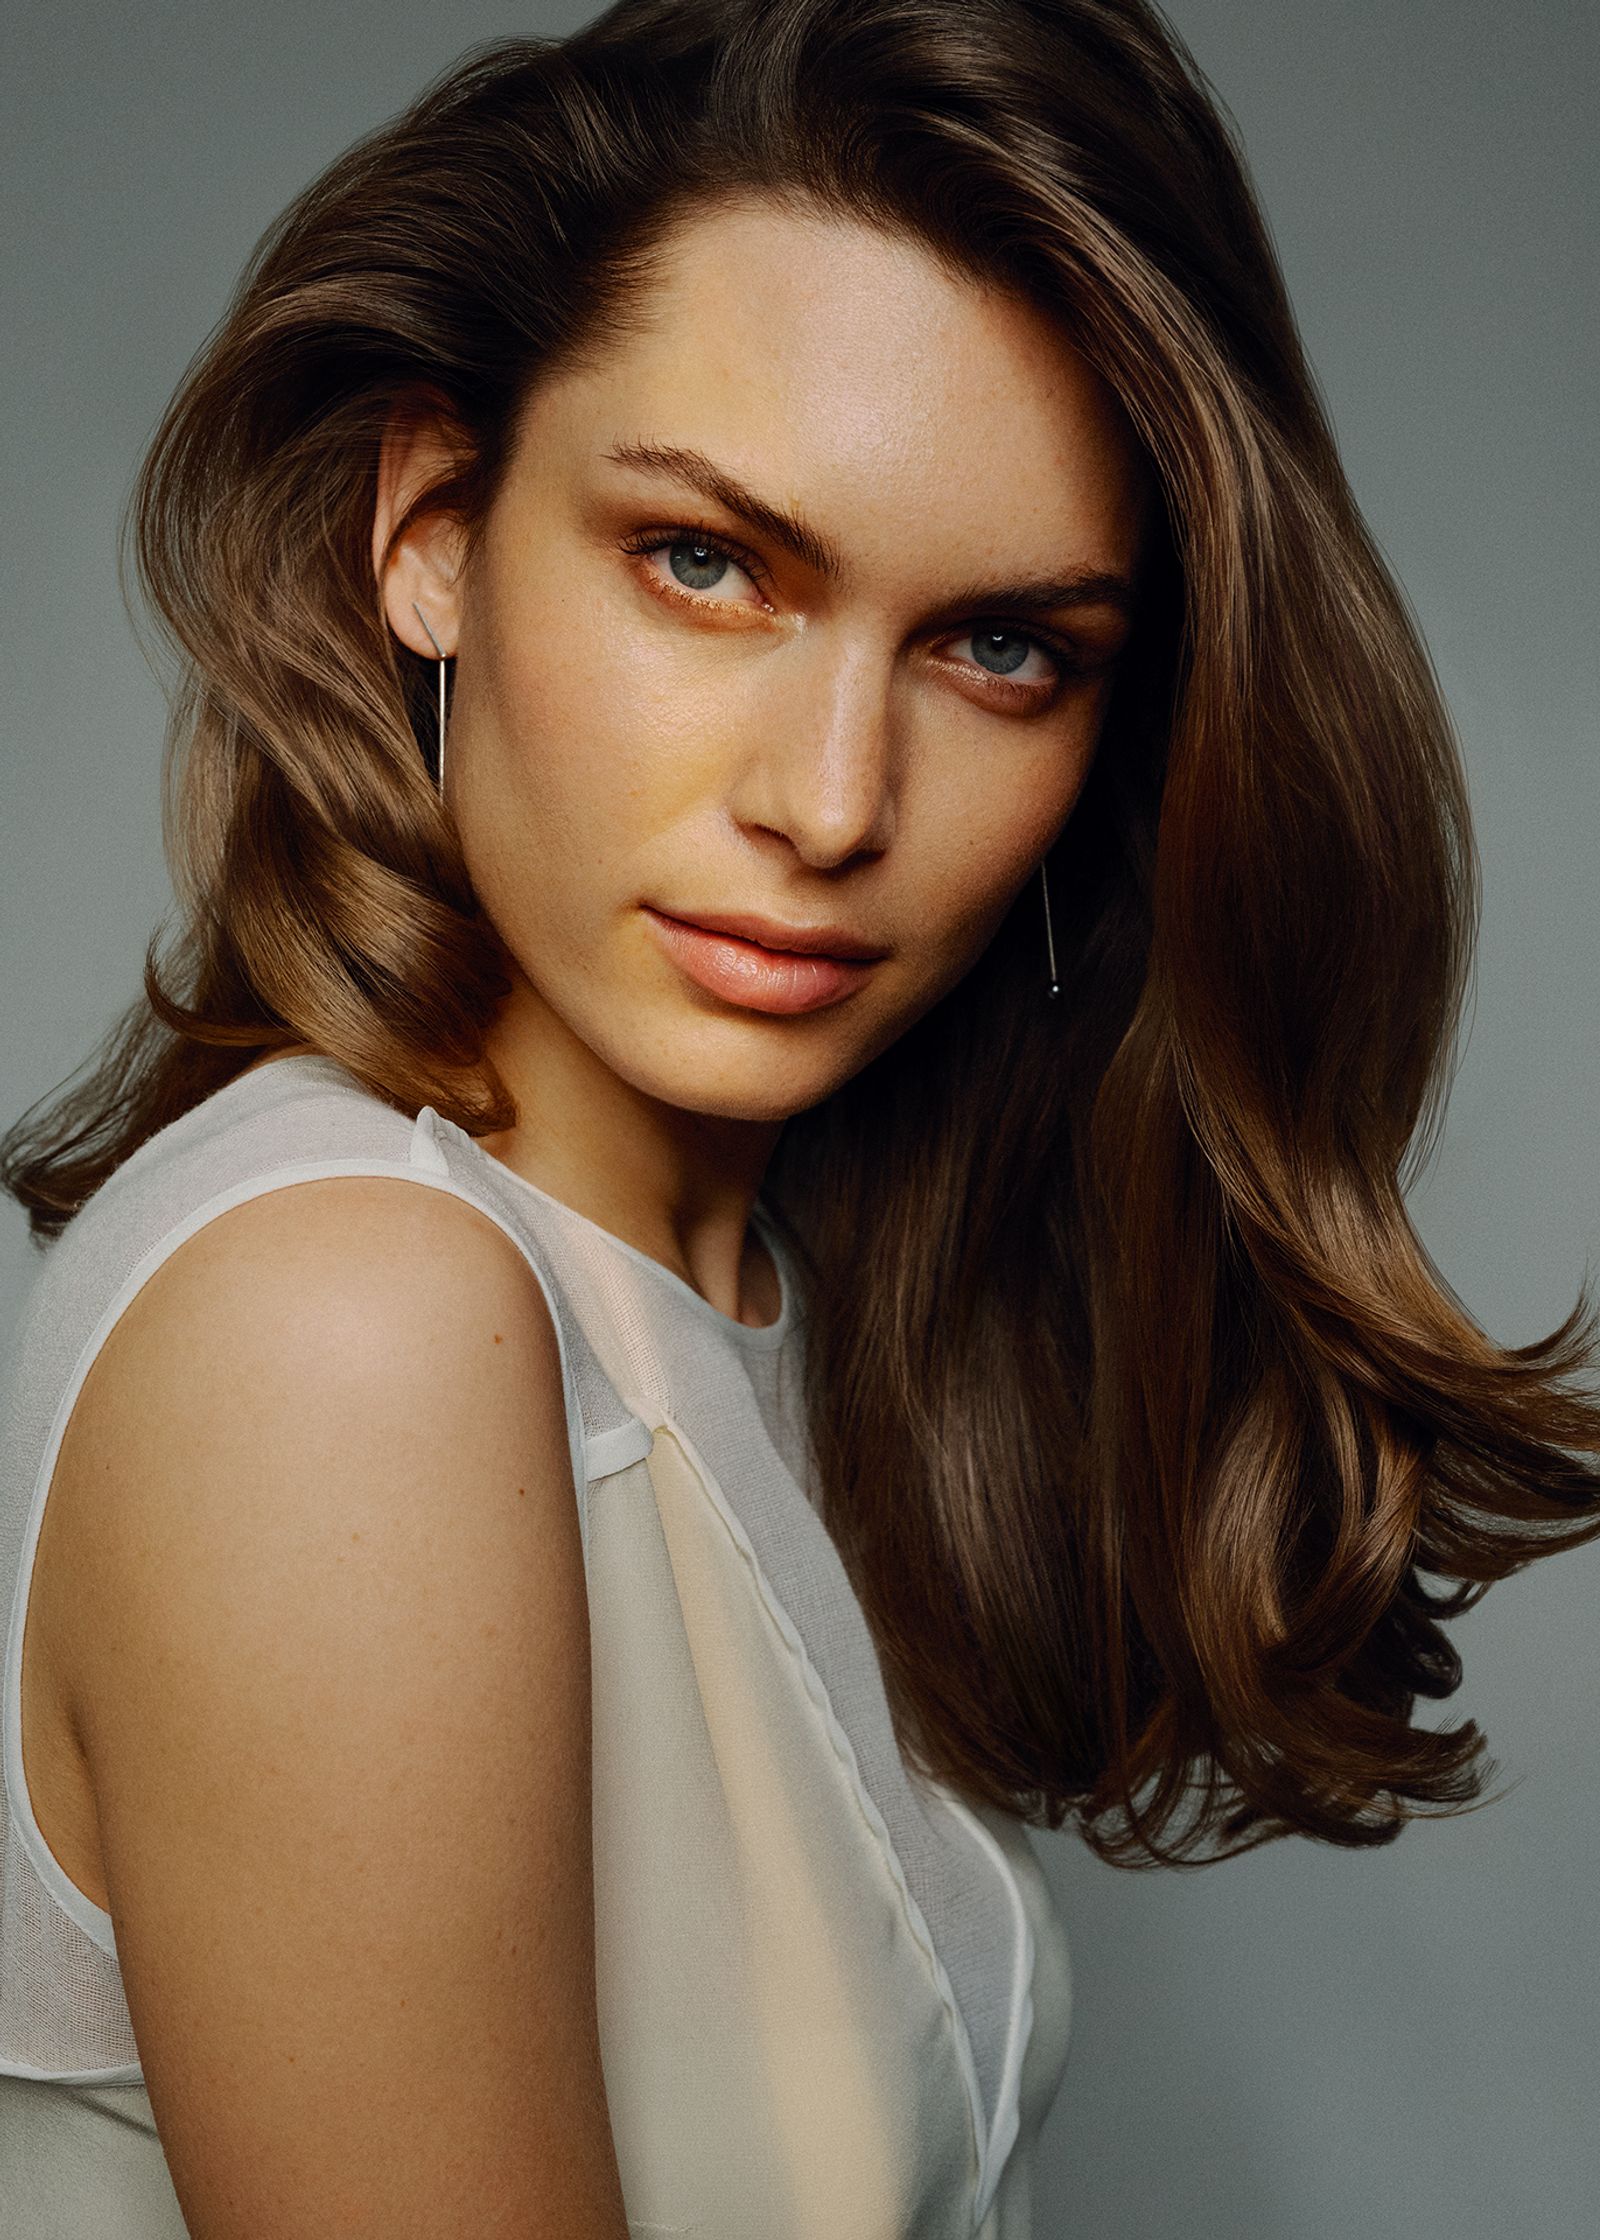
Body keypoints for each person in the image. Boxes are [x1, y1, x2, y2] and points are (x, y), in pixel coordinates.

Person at [3, 0, 1598, 2232]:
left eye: (1001, 649)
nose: (830, 803)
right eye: (706, 563)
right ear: (431, 529)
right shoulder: (344, 1322)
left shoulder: (749, 1303)